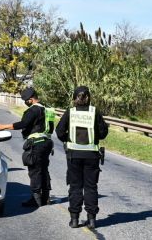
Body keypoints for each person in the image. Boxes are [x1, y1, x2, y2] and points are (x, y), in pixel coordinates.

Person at [55, 86, 108, 229]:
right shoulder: (94, 112)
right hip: (91, 155)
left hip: (74, 156)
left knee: (75, 187)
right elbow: (103, 133)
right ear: (89, 98)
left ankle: (74, 220)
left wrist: (69, 139)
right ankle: (91, 220)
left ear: (74, 98)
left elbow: (59, 131)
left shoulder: (70, 112)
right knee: (91, 187)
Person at [0, 87, 55, 207]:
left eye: (26, 100)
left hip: (36, 144)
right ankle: (46, 197)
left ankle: (35, 199)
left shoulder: (33, 110)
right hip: (47, 142)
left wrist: (3, 127)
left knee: (34, 171)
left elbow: (23, 124)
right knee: (43, 169)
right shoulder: (47, 108)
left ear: (31, 99)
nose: (25, 102)